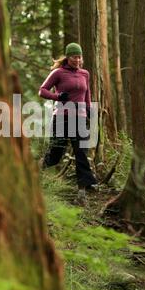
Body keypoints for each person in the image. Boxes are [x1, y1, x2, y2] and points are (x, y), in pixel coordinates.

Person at [38, 43, 98, 205]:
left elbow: (87, 94)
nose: (77, 60)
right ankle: (35, 174)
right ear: (68, 57)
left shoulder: (85, 74)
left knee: (81, 154)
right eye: (74, 57)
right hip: (62, 118)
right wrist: (57, 97)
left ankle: (82, 192)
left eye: (79, 57)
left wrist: (89, 111)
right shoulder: (58, 73)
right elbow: (42, 90)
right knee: (55, 155)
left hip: (79, 119)